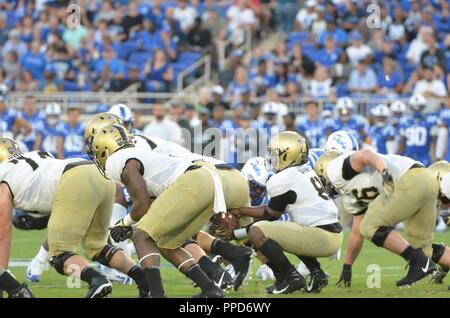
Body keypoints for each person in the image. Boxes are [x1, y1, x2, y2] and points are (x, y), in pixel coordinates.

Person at [90, 124, 251, 297]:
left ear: (105, 148)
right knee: (166, 242)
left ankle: (157, 294)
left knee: (142, 235)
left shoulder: (117, 160)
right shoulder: (137, 152)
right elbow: (150, 202)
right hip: (209, 177)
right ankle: (211, 289)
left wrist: (124, 223)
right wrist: (129, 222)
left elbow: (142, 204)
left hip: (194, 180)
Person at [0, 138, 149, 298]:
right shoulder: (36, 155)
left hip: (74, 180)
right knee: (96, 247)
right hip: (99, 175)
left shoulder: (4, 174)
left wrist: (4, 280)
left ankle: (97, 280)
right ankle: (145, 281)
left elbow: (3, 233)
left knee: (59, 255)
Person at [315, 149, 450, 288]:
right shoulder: (349, 197)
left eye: (321, 179)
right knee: (422, 249)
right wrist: (347, 267)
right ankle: (420, 262)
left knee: (369, 226)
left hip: (410, 177)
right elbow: (356, 232)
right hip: (427, 180)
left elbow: (366, 155)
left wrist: (385, 173)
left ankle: (417, 262)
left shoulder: (336, 170)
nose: (323, 186)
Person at [232, 131, 342, 294]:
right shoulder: (304, 171)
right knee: (292, 229)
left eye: (276, 153)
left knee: (258, 231)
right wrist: (241, 213)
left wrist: (238, 227)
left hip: (321, 238)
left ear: (288, 155)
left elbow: (270, 215)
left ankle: (290, 277)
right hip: (333, 235)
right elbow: (273, 212)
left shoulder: (283, 178)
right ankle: (317, 273)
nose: (272, 158)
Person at [398, 94, 438, 166]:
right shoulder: (405, 121)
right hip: (410, 158)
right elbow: (402, 144)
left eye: (419, 107)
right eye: (414, 107)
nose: (416, 110)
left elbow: (434, 144)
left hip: (423, 158)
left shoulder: (430, 120)